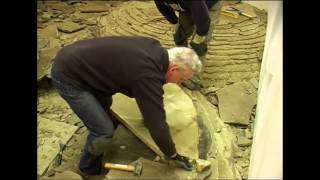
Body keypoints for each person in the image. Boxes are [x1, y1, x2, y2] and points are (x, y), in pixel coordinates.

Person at [50, 36, 202, 179]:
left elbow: (150, 97)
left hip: (79, 62)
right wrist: (173, 154)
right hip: (69, 77)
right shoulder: (147, 74)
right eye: (181, 79)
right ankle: (87, 169)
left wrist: (151, 112)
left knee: (105, 105)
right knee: (103, 131)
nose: (179, 83)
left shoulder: (154, 49)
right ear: (173, 69)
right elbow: (155, 120)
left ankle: (98, 128)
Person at [154, 0, 222, 89]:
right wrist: (174, 22)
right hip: (187, 6)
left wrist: (200, 36)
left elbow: (204, 20)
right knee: (179, 35)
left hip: (209, 5)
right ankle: (181, 65)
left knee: (199, 46)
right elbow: (163, 8)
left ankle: (194, 79)